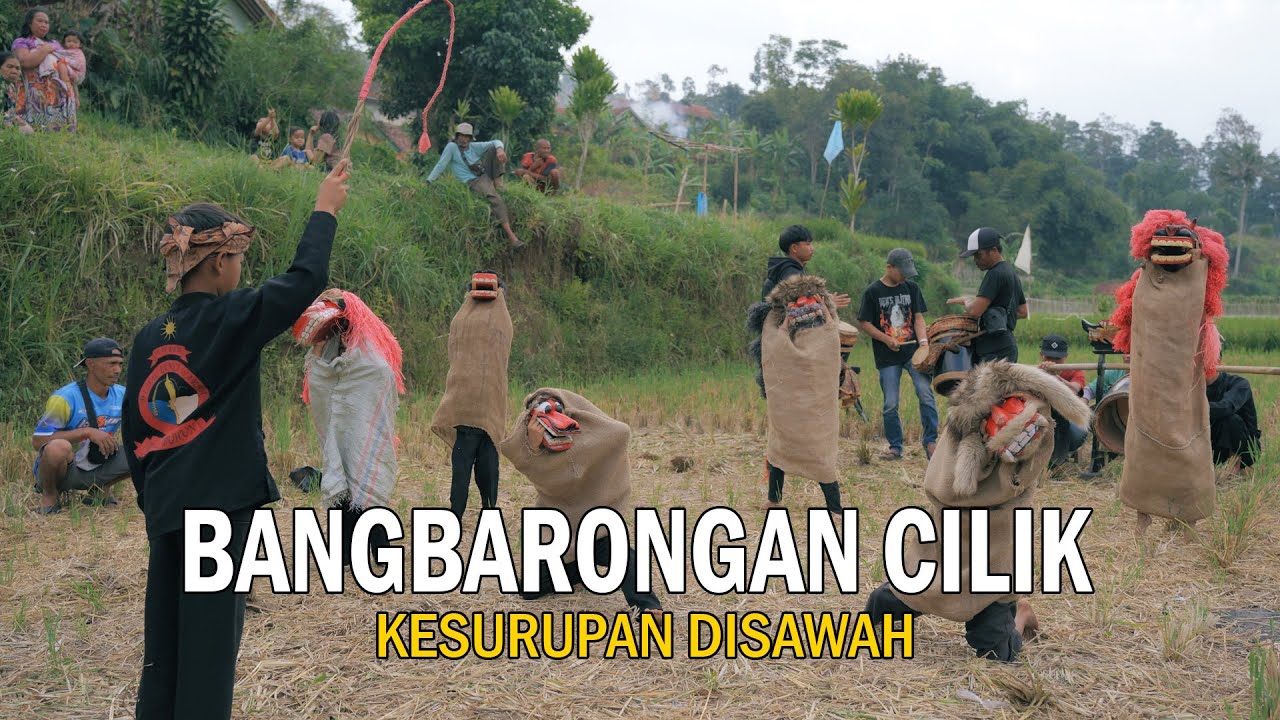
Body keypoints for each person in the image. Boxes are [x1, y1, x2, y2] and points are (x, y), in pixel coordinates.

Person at [122, 159, 351, 718]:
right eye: (240, 261)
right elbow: (305, 280)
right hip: (220, 516)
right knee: (208, 659)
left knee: (165, 656)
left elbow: (137, 432)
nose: (241, 272)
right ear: (221, 261)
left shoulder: (150, 337)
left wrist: (155, 501)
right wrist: (325, 210)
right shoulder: (234, 317)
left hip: (169, 510)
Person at [864, 361, 1091, 662]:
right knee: (891, 599)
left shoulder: (1030, 418)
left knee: (998, 653)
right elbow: (944, 485)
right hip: (947, 536)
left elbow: (1017, 471)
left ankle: (1019, 614)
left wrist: (1015, 425)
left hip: (994, 545)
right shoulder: (962, 423)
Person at [498, 389, 663, 618]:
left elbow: (619, 432)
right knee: (528, 591)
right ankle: (579, 571)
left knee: (625, 556)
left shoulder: (589, 440)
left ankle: (648, 607)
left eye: (557, 410)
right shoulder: (536, 453)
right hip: (557, 533)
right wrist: (533, 447)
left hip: (597, 529)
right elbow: (537, 472)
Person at [294, 288, 405, 565]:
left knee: (365, 484)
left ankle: (377, 554)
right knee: (340, 484)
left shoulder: (370, 361)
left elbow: (378, 385)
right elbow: (320, 389)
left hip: (361, 433)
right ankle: (346, 555)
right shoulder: (324, 357)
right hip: (338, 434)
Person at [747, 275, 844, 517]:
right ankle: (780, 500)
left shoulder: (822, 326)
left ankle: (831, 507)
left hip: (811, 405)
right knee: (784, 449)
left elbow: (827, 346)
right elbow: (776, 347)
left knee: (801, 450)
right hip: (790, 404)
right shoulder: (819, 322)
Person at [430, 272, 513, 519]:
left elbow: (454, 354)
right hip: (489, 410)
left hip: (462, 408)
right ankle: (489, 512)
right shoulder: (502, 319)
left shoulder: (460, 319)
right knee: (488, 467)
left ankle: (455, 515)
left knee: (461, 469)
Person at [31, 337, 131, 514]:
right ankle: (50, 495)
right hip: (64, 470)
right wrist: (87, 432)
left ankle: (99, 489)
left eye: (120, 364)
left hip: (98, 463)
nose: (117, 370)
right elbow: (39, 441)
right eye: (111, 364)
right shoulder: (65, 397)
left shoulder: (123, 394)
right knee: (57, 447)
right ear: (91, 364)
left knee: (145, 448)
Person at [857, 248, 938, 461]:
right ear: (889, 267)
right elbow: (864, 322)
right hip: (887, 356)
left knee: (925, 394)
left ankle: (931, 442)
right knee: (890, 403)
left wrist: (923, 344)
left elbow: (918, 318)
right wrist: (886, 339)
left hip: (912, 353)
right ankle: (896, 447)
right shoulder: (873, 292)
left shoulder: (911, 288)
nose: (905, 276)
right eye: (901, 272)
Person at [427, 123, 524, 249]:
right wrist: (429, 180)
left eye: (467, 136)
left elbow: (496, 141)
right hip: (473, 181)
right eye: (461, 136)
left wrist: (500, 150)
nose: (464, 139)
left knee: (494, 148)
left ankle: (498, 183)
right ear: (457, 136)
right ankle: (512, 237)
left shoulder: (473, 147)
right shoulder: (452, 147)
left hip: (484, 174)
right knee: (497, 200)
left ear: (471, 138)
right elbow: (441, 165)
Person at [947, 228, 1027, 364]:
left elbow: (974, 311)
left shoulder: (994, 274)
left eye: (979, 255)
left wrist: (966, 300)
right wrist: (997, 320)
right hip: (1007, 346)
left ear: (994, 250)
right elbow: (1022, 312)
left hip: (992, 350)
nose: (976, 260)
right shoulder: (1011, 272)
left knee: (984, 386)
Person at [10, 8, 77, 132]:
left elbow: (66, 62)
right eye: (40, 21)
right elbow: (24, 62)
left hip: (59, 88)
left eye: (46, 22)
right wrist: (44, 50)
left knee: (60, 129)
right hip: (34, 90)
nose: (44, 25)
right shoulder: (22, 42)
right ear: (30, 23)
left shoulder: (54, 43)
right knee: (37, 128)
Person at [760, 224, 851, 307]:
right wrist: (826, 304)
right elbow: (796, 307)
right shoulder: (791, 273)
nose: (812, 248)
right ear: (794, 248)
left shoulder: (785, 268)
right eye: (808, 244)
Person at [1037, 334, 1090, 467]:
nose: (1053, 362)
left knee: (1077, 433)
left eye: (1058, 359)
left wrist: (1056, 378)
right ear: (1041, 355)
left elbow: (1074, 390)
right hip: (1040, 420)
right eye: (1049, 357)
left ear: (1065, 357)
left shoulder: (1074, 371)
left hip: (1068, 421)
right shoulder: (1036, 372)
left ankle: (1058, 461)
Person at [1207, 360, 1261, 473]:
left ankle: (1233, 467)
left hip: (1246, 449)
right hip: (1212, 447)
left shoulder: (1240, 384)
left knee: (1229, 419)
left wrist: (1195, 407)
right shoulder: (1194, 388)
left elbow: (1226, 407)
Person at [1, 51, 34, 133]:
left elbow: (9, 111)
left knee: (28, 130)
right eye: (9, 67)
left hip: (6, 121)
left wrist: (16, 119)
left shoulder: (11, 86)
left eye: (17, 68)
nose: (14, 71)